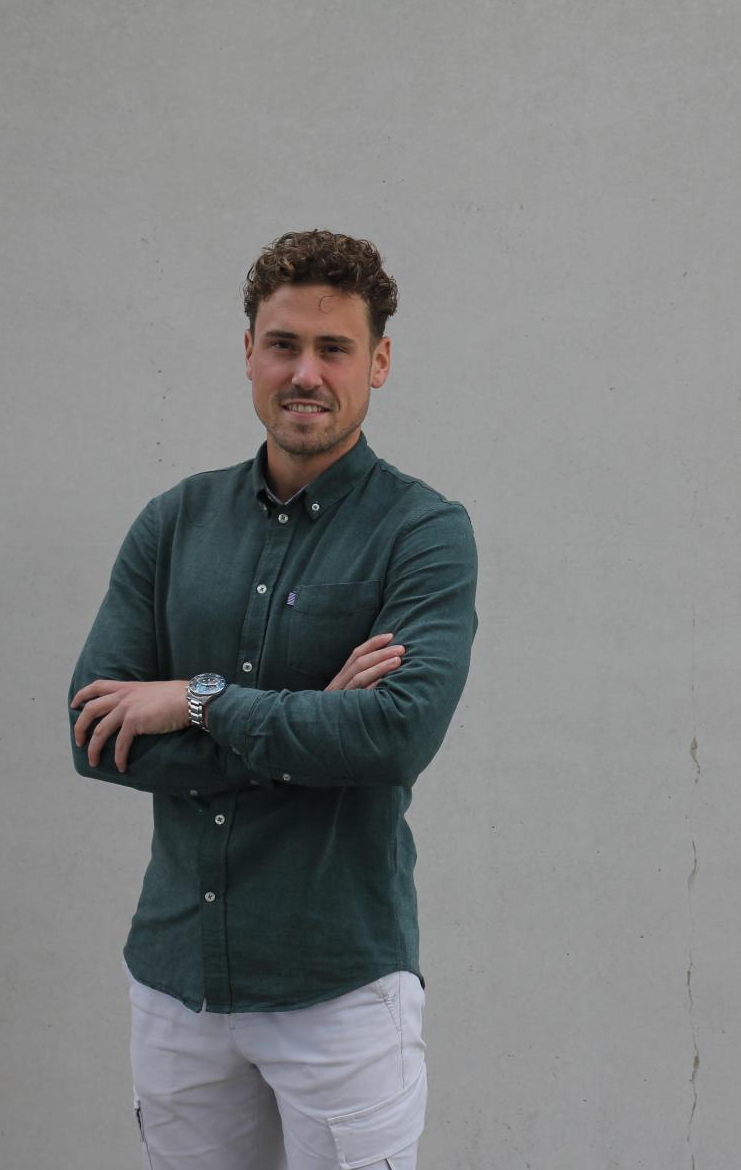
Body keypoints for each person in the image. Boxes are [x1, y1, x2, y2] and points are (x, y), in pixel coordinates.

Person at [66, 230, 478, 1170]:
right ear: (249, 352)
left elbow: (393, 735)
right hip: (177, 983)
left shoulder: (423, 532)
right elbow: (95, 731)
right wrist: (310, 721)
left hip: (336, 993)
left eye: (334, 348)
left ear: (378, 361)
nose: (306, 373)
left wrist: (195, 700)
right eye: (283, 345)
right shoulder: (174, 523)